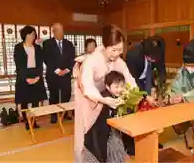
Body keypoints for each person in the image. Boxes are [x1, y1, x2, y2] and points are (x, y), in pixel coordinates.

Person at [73, 24, 157, 162]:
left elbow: (129, 79)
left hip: (108, 104)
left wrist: (143, 95)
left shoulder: (117, 61)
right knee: (90, 140)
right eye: (114, 50)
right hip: (89, 103)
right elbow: (87, 87)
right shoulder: (92, 61)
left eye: (120, 50)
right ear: (105, 46)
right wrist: (104, 100)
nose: (117, 53)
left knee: (112, 136)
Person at [85, 71, 129, 162]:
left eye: (122, 86)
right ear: (108, 87)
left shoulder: (119, 97)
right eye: (116, 86)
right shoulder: (103, 99)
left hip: (109, 131)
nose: (120, 89)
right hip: (98, 133)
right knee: (100, 156)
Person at [14, 25, 47, 130]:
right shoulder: (18, 47)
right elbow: (19, 64)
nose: (32, 36)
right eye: (30, 34)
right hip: (23, 76)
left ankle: (33, 121)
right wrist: (26, 78)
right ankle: (27, 122)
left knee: (35, 101)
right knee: (24, 101)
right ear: (25, 35)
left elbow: (40, 63)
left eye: (34, 34)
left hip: (36, 74)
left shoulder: (37, 48)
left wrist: (37, 77)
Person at [43, 23, 75, 123]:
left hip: (66, 75)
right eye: (58, 30)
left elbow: (72, 59)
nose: (61, 32)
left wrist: (66, 70)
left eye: (62, 30)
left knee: (66, 95)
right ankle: (54, 116)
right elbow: (47, 59)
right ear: (54, 32)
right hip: (53, 75)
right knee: (54, 96)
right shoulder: (47, 44)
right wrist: (57, 70)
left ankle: (64, 114)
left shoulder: (69, 44)